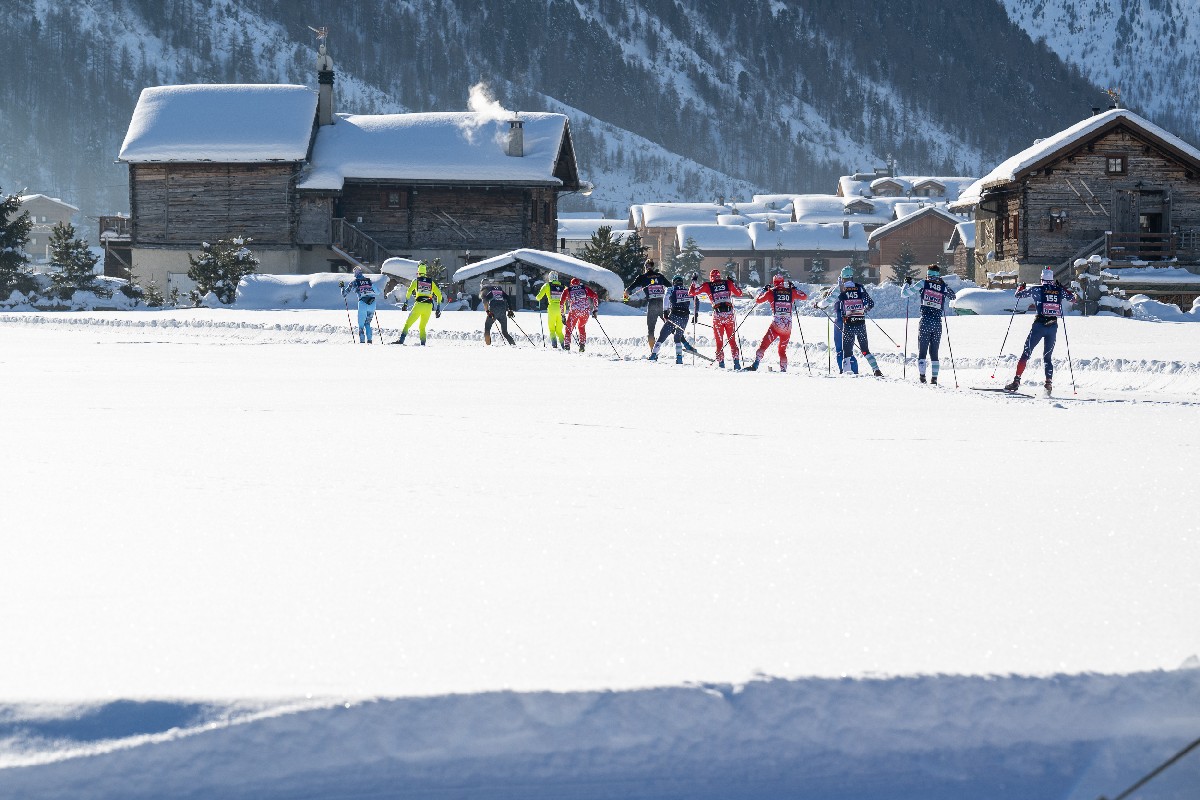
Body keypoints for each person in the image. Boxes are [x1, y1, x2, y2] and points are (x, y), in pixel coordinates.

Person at [1004, 268, 1078, 395]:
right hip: (1053, 326)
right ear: (1052, 279)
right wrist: (1062, 288)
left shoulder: (1037, 289)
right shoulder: (1059, 290)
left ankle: (1016, 381)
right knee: (1047, 357)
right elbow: (1073, 299)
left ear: (1041, 279)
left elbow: (1018, 295)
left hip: (1039, 325)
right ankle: (1048, 383)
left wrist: (1020, 288)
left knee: (1026, 353)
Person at [899, 264, 957, 384]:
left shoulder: (923, 283)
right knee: (934, 352)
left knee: (922, 351)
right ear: (938, 275)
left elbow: (904, 294)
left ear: (928, 274)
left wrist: (906, 283)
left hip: (925, 321)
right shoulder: (942, 286)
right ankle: (934, 379)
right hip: (937, 323)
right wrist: (942, 285)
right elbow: (953, 296)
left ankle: (922, 376)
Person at [819, 266, 882, 376]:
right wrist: (864, 309)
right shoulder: (860, 287)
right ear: (852, 277)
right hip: (861, 322)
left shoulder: (840, 289)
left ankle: (847, 373)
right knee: (865, 350)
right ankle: (876, 369)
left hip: (848, 323)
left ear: (842, 278)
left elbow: (825, 303)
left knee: (847, 352)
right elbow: (870, 303)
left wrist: (817, 304)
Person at [745, 274, 807, 371]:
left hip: (776, 324)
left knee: (764, 344)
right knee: (782, 350)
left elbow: (757, 300)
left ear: (774, 283)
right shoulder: (791, 292)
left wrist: (764, 290)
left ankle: (756, 364)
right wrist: (794, 288)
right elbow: (804, 296)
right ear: (783, 282)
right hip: (787, 326)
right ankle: (783, 369)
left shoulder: (771, 292)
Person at [689, 268, 744, 369]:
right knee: (732, 340)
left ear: (711, 278)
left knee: (719, 341)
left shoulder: (708, 285)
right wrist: (733, 282)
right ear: (720, 277)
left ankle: (721, 363)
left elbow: (692, 293)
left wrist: (694, 281)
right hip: (729, 315)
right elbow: (740, 293)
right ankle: (736, 363)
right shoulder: (727, 283)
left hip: (718, 316)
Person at [650, 274, 703, 364]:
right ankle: (679, 358)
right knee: (677, 338)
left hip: (674, 315)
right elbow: (696, 300)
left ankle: (653, 355)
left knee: (662, 335)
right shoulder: (687, 290)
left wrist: (665, 311)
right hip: (685, 317)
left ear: (674, 282)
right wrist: (696, 314)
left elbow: (666, 298)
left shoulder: (671, 289)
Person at [624, 259, 670, 350]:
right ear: (653, 267)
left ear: (645, 267)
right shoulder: (660, 276)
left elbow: (629, 289)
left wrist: (625, 297)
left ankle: (653, 351)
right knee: (670, 325)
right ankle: (682, 342)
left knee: (651, 330)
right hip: (662, 303)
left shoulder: (642, 277)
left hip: (652, 304)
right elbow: (670, 286)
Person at [397, 262, 443, 345]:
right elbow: (439, 295)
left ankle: (401, 341)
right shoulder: (431, 282)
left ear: (418, 272)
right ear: (425, 273)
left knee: (408, 324)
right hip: (429, 307)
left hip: (419, 305)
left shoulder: (416, 281)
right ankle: (423, 343)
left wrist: (406, 303)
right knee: (422, 327)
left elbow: (409, 291)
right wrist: (438, 308)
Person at [559, 277, 599, 352]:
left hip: (574, 311)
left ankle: (567, 345)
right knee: (581, 327)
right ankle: (582, 345)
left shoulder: (568, 290)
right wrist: (595, 310)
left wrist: (563, 315)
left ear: (571, 284)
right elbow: (595, 296)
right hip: (585, 312)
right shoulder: (585, 288)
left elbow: (561, 303)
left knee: (569, 328)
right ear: (579, 283)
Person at [340, 266, 377, 344]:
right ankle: (369, 340)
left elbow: (344, 294)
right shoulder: (368, 280)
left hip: (362, 303)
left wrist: (342, 287)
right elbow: (376, 291)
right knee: (367, 323)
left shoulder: (354, 282)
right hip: (372, 303)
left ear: (355, 273)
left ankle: (362, 341)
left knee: (361, 325)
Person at [480, 278, 516, 346]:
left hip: (494, 310)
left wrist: (487, 311)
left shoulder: (485, 290)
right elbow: (507, 298)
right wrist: (510, 309)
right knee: (505, 332)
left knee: (487, 328)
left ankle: (488, 345)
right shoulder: (498, 289)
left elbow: (485, 301)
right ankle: (513, 344)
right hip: (503, 310)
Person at [536, 270, 566, 349]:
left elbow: (539, 297)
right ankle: (564, 345)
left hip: (552, 308)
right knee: (559, 330)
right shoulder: (563, 286)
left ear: (549, 277)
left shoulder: (547, 285)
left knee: (552, 328)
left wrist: (537, 298)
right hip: (562, 309)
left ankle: (554, 344)